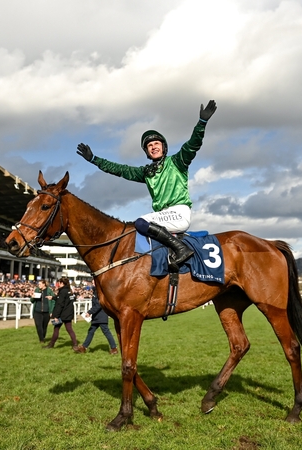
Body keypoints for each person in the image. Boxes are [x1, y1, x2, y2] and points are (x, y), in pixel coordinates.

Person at [76, 100, 217, 271]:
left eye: (156, 143)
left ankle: (181, 249)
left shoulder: (178, 161)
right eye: (149, 146)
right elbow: (120, 170)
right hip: (163, 217)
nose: (153, 147)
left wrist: (202, 123)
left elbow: (193, 144)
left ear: (163, 147)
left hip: (179, 213)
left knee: (141, 222)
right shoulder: (146, 172)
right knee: (138, 227)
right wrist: (94, 159)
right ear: (147, 152)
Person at [74, 284, 118, 355]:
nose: (92, 283)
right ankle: (84, 347)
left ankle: (114, 348)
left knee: (106, 331)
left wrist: (89, 312)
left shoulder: (99, 292)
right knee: (91, 331)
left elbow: (98, 304)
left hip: (101, 316)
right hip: (97, 317)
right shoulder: (96, 291)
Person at [44, 277, 79, 350]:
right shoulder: (69, 291)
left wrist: (56, 316)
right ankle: (75, 344)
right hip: (68, 314)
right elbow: (63, 299)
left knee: (56, 329)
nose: (58, 284)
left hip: (61, 314)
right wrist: (53, 297)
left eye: (59, 283)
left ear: (62, 283)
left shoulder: (63, 291)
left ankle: (51, 344)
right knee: (69, 329)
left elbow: (60, 304)